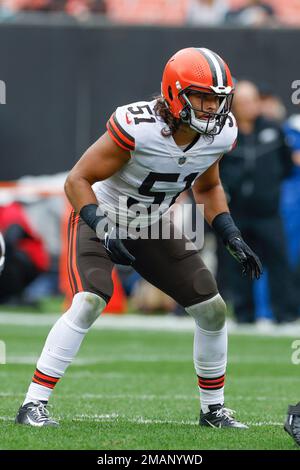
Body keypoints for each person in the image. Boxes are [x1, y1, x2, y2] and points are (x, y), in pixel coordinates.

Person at [15, 47, 262, 428]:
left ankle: (213, 409)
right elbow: (77, 180)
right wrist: (100, 225)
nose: (212, 108)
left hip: (152, 223)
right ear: (174, 93)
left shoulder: (221, 133)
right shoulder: (137, 126)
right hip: (100, 215)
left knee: (211, 308)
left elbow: (209, 188)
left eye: (217, 98)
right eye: (201, 97)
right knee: (89, 300)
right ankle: (33, 404)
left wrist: (231, 234)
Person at [217, 80, 297, 324]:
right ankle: (244, 314)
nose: (248, 106)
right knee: (240, 262)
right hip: (238, 212)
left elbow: (286, 165)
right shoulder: (225, 133)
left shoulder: (274, 129)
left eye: (252, 101)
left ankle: (285, 314)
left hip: (268, 211)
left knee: (279, 261)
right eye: (242, 102)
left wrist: (268, 187)